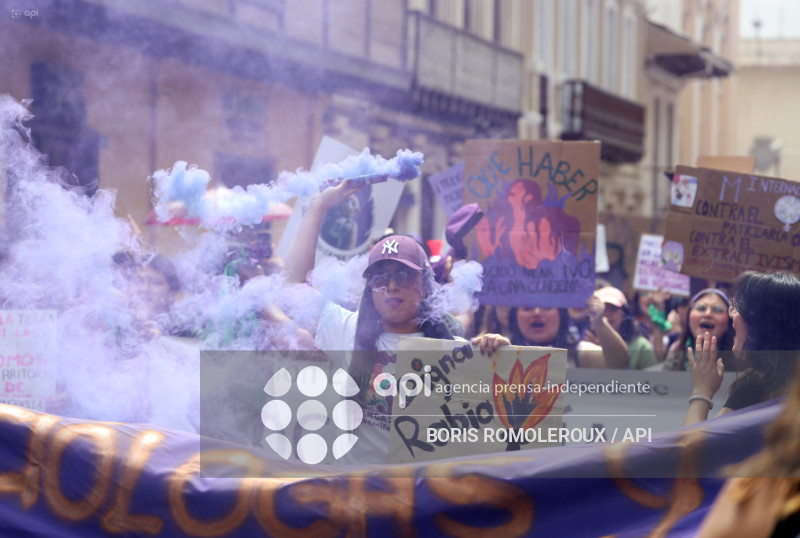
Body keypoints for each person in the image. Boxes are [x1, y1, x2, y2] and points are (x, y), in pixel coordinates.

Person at [285, 180, 507, 461]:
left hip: (424, 486)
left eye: (403, 274)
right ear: (370, 288)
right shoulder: (347, 332)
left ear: (424, 285)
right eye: (380, 277)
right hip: (359, 485)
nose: (391, 286)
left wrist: (502, 357)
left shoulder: (454, 351)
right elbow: (293, 285)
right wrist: (319, 206)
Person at [683, 271, 800, 427]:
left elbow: (690, 441)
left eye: (737, 307)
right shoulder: (788, 379)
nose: (732, 315)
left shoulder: (759, 385)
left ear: (761, 322)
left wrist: (701, 391)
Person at [697, 363, 800, 537]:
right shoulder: (761, 482)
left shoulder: (756, 383)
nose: (735, 349)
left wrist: (701, 393)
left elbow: (692, 449)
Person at [507, 292, 629, 369]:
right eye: (527, 308)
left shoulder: (577, 352)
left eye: (547, 306)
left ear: (561, 315)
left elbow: (618, 362)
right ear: (515, 317)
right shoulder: (502, 349)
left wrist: (599, 322)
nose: (537, 312)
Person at [663, 288, 735, 372]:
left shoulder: (738, 357)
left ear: (729, 322)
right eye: (701, 308)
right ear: (689, 317)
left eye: (717, 310)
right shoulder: (675, 350)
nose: (708, 314)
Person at [592, 286, 658, 370]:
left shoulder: (641, 346)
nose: (607, 314)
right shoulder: (586, 343)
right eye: (603, 309)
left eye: (613, 309)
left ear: (624, 313)